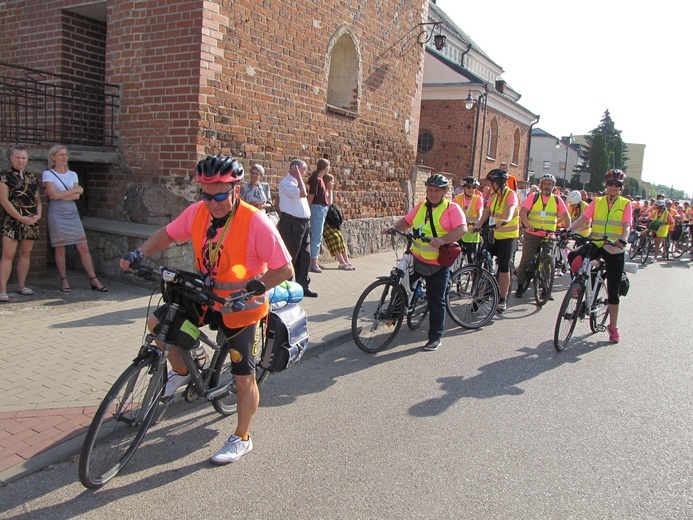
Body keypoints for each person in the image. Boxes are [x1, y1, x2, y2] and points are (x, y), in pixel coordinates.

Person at [119, 153, 293, 465]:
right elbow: (168, 234)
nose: (211, 203)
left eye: (219, 196)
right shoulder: (198, 212)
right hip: (206, 295)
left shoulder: (256, 221)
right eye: (206, 194)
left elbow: (285, 269)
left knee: (243, 377)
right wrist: (140, 253)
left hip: (242, 307)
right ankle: (186, 370)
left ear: (236, 190)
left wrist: (256, 286)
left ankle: (242, 437)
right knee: (159, 323)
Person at [385, 174, 467, 351]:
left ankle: (435, 338)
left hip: (437, 263)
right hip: (417, 256)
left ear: (445, 192)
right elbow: (407, 221)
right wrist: (394, 228)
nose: (433, 193)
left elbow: (462, 229)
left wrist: (443, 240)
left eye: (437, 190)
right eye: (430, 190)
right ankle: (394, 314)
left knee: (436, 300)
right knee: (399, 284)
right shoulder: (421, 206)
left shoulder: (452, 209)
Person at [569, 169, 632, 343]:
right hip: (597, 243)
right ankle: (579, 285)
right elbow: (583, 219)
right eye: (610, 183)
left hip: (615, 248)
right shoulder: (597, 201)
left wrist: (623, 239)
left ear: (621, 187)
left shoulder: (625, 204)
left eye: (617, 184)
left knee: (613, 290)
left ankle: (613, 326)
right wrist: (568, 230)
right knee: (574, 256)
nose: (613, 187)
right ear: (606, 184)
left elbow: (626, 225)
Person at [41, 145, 107, 293]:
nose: (64, 157)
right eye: (60, 155)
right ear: (53, 157)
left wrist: (66, 193)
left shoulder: (73, 174)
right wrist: (74, 190)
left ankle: (93, 279)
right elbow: (54, 195)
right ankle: (64, 281)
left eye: (65, 154)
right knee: (60, 248)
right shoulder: (48, 174)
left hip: (71, 211)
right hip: (57, 213)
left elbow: (76, 196)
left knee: (83, 246)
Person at [515, 174, 571, 298]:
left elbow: (566, 216)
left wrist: (568, 230)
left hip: (548, 234)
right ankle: (520, 286)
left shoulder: (557, 199)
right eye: (544, 184)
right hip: (532, 233)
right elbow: (523, 212)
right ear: (540, 185)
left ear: (553, 186)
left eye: (549, 184)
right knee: (526, 260)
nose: (546, 186)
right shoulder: (533, 197)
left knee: (547, 260)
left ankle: (545, 287)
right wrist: (527, 224)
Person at [0, 146, 42, 302]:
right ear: (11, 158)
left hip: (30, 220)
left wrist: (38, 215)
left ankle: (21, 285)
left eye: (23, 158)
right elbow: (4, 200)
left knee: (25, 253)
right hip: (11, 220)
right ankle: (2, 290)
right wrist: (19, 217)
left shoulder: (31, 177)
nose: (21, 161)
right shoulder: (4, 176)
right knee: (8, 254)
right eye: (17, 157)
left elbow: (37, 200)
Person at [476, 169, 520, 312]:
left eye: (491, 183)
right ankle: (485, 287)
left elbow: (512, 207)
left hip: (509, 236)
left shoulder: (511, 195)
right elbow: (487, 212)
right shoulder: (494, 196)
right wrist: (477, 225)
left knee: (503, 266)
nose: (489, 186)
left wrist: (507, 219)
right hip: (495, 235)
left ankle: (502, 298)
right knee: (482, 257)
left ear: (497, 183)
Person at [277, 160, 317, 297]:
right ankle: (285, 287)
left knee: (304, 256)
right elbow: (303, 193)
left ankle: (303, 286)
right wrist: (298, 176)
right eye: (303, 170)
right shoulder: (287, 183)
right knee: (291, 256)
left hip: (304, 224)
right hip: (291, 223)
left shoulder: (297, 183)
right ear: (296, 169)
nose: (305, 174)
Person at [321, 173, 355, 270]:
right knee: (334, 238)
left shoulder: (328, 191)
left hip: (330, 221)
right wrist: (330, 190)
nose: (333, 183)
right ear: (327, 182)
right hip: (324, 221)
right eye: (331, 181)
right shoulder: (323, 190)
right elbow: (329, 203)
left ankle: (346, 261)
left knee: (340, 238)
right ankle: (341, 262)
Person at [453, 176, 484, 264]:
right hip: (459, 233)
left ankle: (472, 275)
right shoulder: (457, 199)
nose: (471, 189)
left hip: (472, 234)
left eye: (473, 187)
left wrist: (478, 220)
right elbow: (452, 212)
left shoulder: (478, 199)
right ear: (463, 188)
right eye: (468, 187)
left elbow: (480, 211)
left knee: (471, 260)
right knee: (454, 257)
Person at [307, 159, 330, 273]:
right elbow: (311, 196)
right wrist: (308, 210)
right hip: (317, 208)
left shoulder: (320, 179)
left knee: (318, 235)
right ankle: (313, 262)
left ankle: (313, 260)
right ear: (325, 168)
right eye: (328, 166)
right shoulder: (316, 179)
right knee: (316, 235)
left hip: (321, 208)